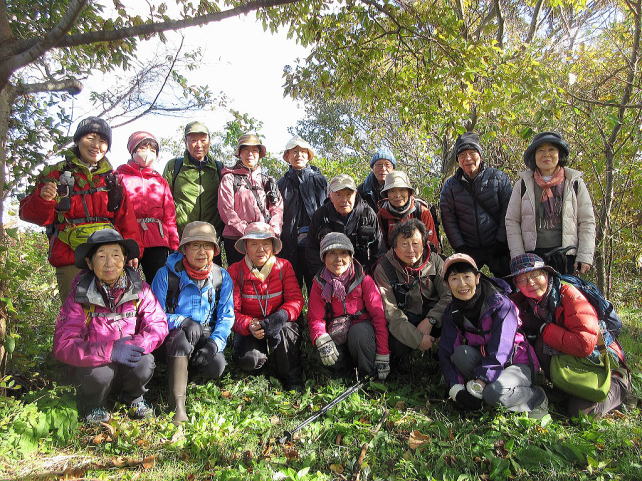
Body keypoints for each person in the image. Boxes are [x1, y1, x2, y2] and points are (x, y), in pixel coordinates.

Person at [19, 116, 142, 302]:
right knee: (75, 313)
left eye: (103, 141)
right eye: (90, 138)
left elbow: (126, 218)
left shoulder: (113, 179)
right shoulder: (56, 174)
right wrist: (43, 199)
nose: (96, 145)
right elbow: (29, 214)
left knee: (111, 311)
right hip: (70, 257)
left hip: (109, 258)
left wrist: (134, 252)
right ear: (77, 140)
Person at [52, 229, 167, 423]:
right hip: (97, 366)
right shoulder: (79, 296)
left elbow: (158, 324)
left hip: (128, 359)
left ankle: (133, 399)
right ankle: (93, 404)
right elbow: (64, 344)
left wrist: (138, 344)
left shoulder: (140, 290)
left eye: (115, 255)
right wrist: (110, 351)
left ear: (124, 259)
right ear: (89, 263)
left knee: (144, 361)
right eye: (101, 256)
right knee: (100, 374)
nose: (109, 263)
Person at [508, 253, 632, 417]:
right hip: (570, 360)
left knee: (582, 413)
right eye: (522, 279)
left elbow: (584, 344)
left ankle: (620, 383)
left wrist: (543, 328)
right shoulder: (525, 301)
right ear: (516, 284)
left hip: (598, 358)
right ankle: (565, 389)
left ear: (546, 274)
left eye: (535, 275)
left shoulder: (570, 295)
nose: (530, 283)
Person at [438, 253, 548, 415]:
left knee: (493, 393)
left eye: (467, 276)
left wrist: (481, 381)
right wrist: (456, 388)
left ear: (477, 278)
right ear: (447, 284)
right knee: (460, 354)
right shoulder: (452, 311)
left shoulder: (500, 304)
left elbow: (502, 348)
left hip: (517, 363)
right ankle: (490, 390)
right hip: (487, 362)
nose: (462, 284)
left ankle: (536, 397)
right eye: (454, 278)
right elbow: (446, 351)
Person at [151, 221, 234, 424]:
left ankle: (184, 373)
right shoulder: (166, 275)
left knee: (217, 366)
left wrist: (214, 344)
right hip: (173, 336)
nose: (201, 252)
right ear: (184, 249)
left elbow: (226, 316)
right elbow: (154, 314)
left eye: (207, 246)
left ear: (214, 251)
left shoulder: (221, 276)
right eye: (195, 245)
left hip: (205, 333)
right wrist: (182, 321)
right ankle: (177, 405)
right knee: (181, 340)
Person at [227, 222, 305, 391]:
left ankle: (291, 377)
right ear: (246, 247)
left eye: (266, 244)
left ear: (273, 247)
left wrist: (281, 316)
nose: (260, 249)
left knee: (287, 330)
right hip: (252, 327)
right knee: (250, 360)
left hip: (278, 323)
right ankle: (262, 366)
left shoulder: (284, 266)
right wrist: (249, 324)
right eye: (254, 244)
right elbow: (231, 311)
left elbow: (296, 300)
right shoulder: (235, 270)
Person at [505, 132, 596, 275]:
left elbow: (587, 221)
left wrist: (584, 255)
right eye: (540, 150)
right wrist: (518, 256)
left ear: (559, 154)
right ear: (534, 156)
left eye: (551, 149)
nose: (546, 154)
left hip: (566, 255)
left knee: (565, 289)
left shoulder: (574, 182)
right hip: (532, 256)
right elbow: (512, 221)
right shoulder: (523, 184)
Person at [307, 233, 390, 380]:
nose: (338, 259)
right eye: (332, 253)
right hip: (335, 331)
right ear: (323, 257)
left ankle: (368, 376)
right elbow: (316, 318)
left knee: (360, 332)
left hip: (361, 334)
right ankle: (343, 377)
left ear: (351, 256)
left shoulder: (364, 280)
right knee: (324, 349)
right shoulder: (319, 283)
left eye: (343, 253)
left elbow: (379, 317)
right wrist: (321, 337)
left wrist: (383, 353)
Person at [373, 219, 450, 371]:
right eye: (404, 244)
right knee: (397, 347)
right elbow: (391, 312)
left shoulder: (435, 261)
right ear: (394, 247)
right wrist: (418, 339)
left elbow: (449, 296)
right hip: (405, 319)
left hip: (434, 316)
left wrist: (431, 320)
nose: (410, 250)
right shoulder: (383, 269)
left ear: (423, 244)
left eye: (415, 243)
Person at [439, 132, 512, 277]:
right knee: (467, 285)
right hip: (469, 248)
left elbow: (508, 211)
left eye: (472, 153)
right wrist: (460, 247)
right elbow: (448, 219)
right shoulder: (450, 186)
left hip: (499, 246)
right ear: (457, 160)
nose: (467, 158)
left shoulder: (498, 178)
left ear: (480, 155)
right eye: (462, 155)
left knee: (508, 283)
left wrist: (501, 241)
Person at [116, 131, 179, 283]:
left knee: (159, 283)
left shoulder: (160, 181)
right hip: (128, 239)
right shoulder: (119, 177)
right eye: (143, 148)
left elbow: (169, 215)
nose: (148, 153)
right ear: (133, 150)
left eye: (152, 150)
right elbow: (116, 212)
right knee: (126, 283)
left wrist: (174, 244)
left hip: (157, 239)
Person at [218, 133, 283, 266]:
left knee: (266, 276)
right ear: (239, 153)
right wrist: (247, 232)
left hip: (264, 238)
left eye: (254, 150)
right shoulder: (229, 178)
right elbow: (226, 210)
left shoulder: (267, 180)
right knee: (239, 275)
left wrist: (273, 231)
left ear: (259, 154)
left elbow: (277, 208)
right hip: (237, 239)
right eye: (246, 150)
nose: (250, 154)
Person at [306, 174, 384, 276]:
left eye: (348, 194)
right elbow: (312, 250)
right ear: (330, 195)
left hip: (362, 275)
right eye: (338, 195)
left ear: (355, 194)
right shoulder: (320, 216)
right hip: (328, 275)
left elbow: (379, 250)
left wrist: (368, 277)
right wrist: (323, 276)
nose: (344, 200)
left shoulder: (367, 214)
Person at [277, 135, 327, 290]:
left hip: (315, 242)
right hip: (289, 243)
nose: (298, 155)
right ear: (287, 156)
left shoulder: (319, 180)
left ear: (308, 155)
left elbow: (326, 209)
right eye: (294, 151)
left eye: (303, 152)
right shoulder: (281, 184)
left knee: (318, 286)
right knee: (292, 287)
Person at [163, 121, 224, 247]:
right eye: (194, 140)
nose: (199, 145)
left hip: (210, 238)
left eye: (203, 140)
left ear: (209, 142)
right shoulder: (174, 166)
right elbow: (164, 200)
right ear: (185, 142)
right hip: (182, 238)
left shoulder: (218, 168)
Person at [377, 171, 439, 251]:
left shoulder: (422, 212)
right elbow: (381, 248)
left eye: (402, 190)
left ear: (409, 192)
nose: (397, 195)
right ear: (387, 194)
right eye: (392, 191)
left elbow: (432, 244)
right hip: (392, 257)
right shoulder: (382, 215)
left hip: (421, 256)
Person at [358, 147, 396, 212]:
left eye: (387, 165)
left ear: (393, 169)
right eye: (379, 165)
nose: (383, 169)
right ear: (372, 168)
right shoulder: (362, 190)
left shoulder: (401, 188)